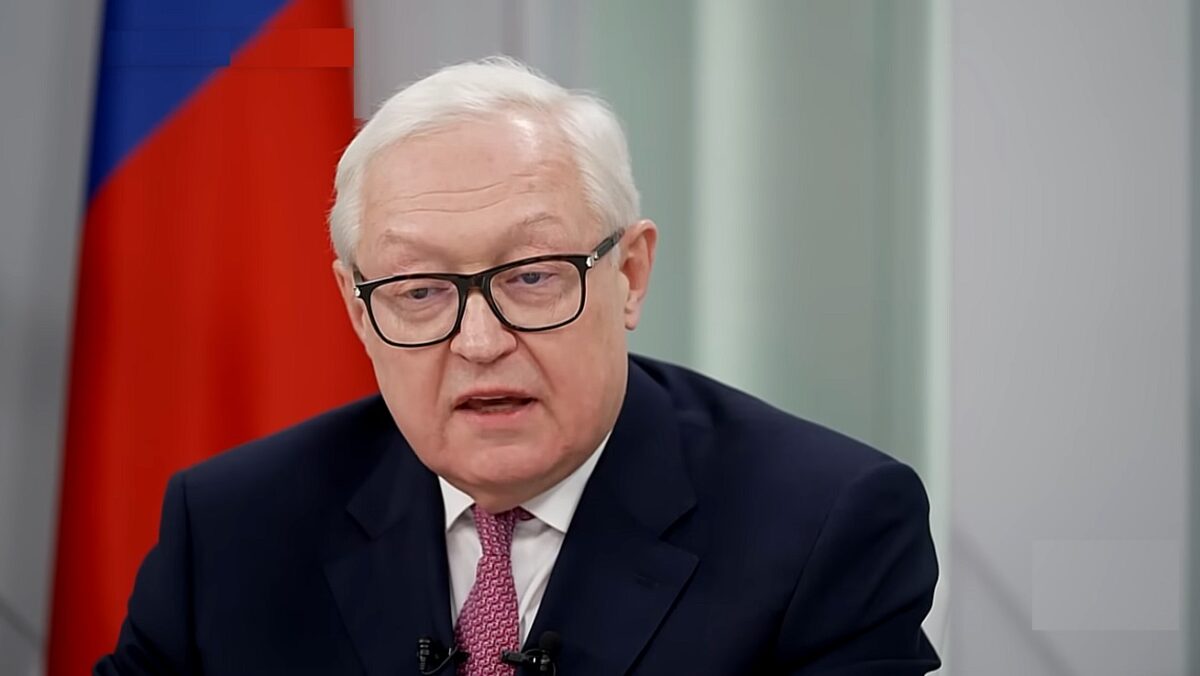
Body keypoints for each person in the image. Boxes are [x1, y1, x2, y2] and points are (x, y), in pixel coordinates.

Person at [97, 57, 940, 675]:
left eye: (531, 277)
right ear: (358, 310)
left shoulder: (825, 527)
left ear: (630, 275)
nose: (478, 341)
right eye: (420, 291)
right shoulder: (233, 529)